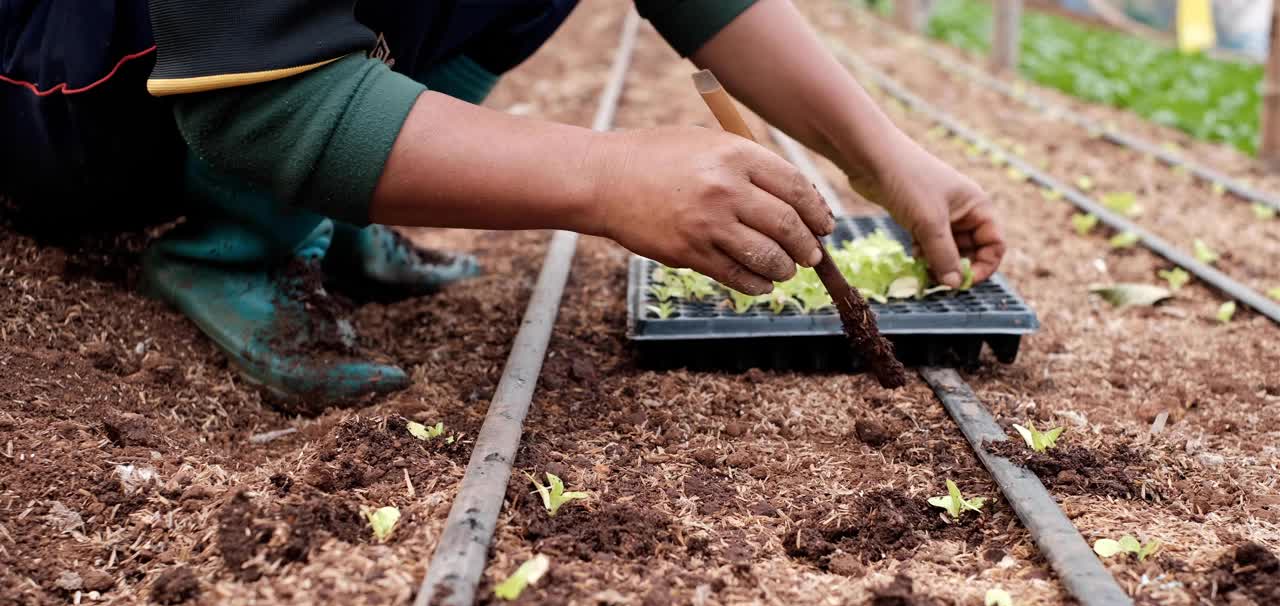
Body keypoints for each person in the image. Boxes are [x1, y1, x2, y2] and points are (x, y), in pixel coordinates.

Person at [2, 0, 1004, 409]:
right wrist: (607, 180)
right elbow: (257, 100)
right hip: (62, 96)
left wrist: (883, 155)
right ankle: (229, 246)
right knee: (272, 92)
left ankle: (330, 212)